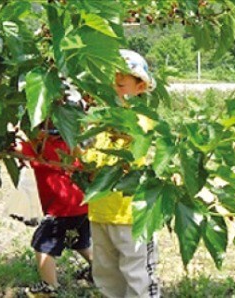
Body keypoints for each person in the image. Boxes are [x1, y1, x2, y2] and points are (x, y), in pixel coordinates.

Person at [82, 49, 159, 298]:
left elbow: (134, 137)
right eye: (113, 73)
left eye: (125, 74)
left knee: (139, 276)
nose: (118, 78)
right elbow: (86, 156)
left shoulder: (140, 119)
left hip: (132, 215)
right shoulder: (98, 118)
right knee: (106, 274)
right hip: (100, 210)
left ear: (140, 86)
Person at [18, 124, 93, 298]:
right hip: (82, 205)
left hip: (61, 209)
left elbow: (13, 147)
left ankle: (49, 287)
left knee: (42, 245)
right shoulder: (73, 145)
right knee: (80, 242)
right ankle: (99, 272)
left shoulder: (41, 148)